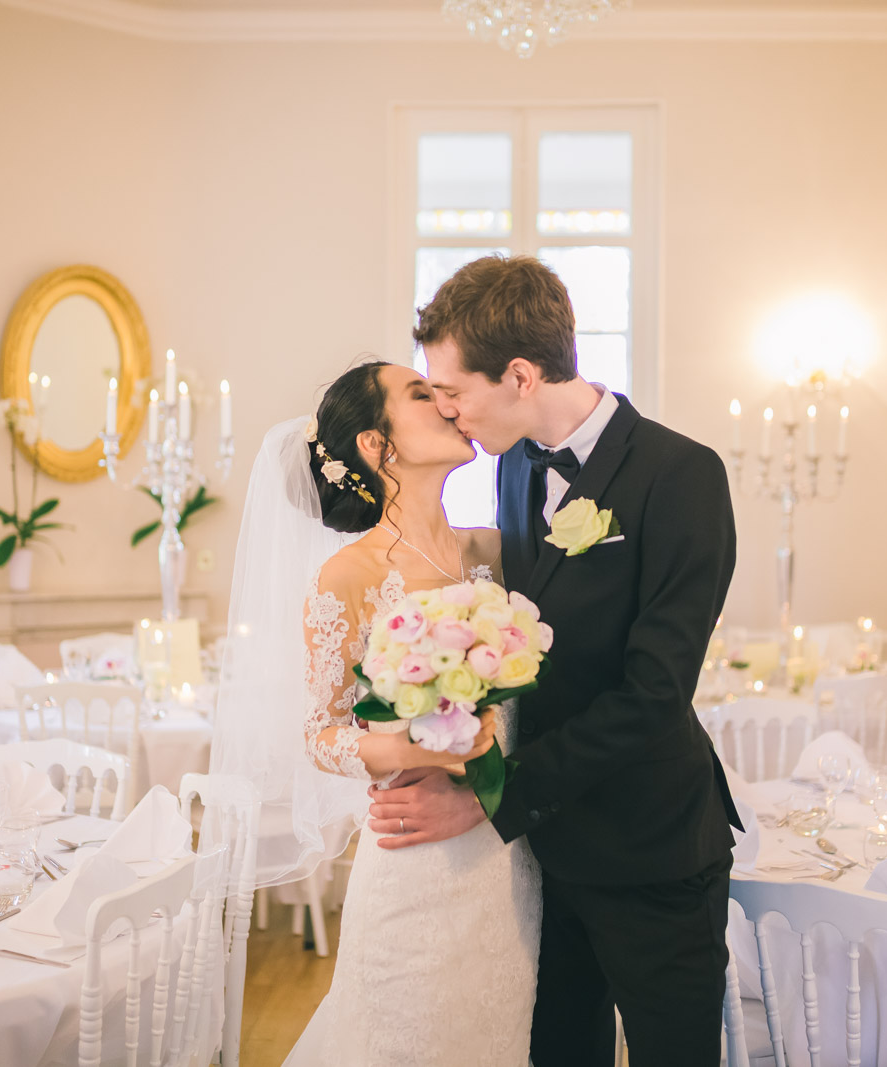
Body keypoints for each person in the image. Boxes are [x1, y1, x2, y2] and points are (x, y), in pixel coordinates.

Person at [372, 254, 742, 1065]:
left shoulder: (682, 475)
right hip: (545, 860)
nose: (445, 408)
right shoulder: (512, 465)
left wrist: (490, 798)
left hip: (653, 852)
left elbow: (652, 696)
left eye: (453, 391)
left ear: (519, 375)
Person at [278, 360, 542, 1066]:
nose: (450, 405)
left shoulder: (493, 552)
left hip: (506, 858)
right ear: (377, 445)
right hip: (414, 860)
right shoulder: (349, 576)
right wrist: (419, 754)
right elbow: (321, 732)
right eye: (423, 394)